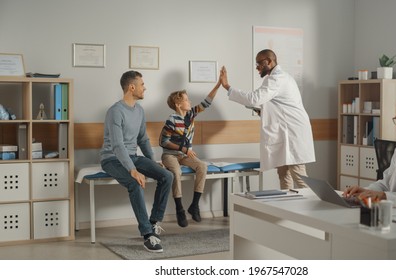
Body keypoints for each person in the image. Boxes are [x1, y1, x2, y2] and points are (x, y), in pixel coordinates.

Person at [220, 49, 316, 189]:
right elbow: (273, 105)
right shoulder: (274, 78)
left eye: (259, 63)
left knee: (299, 176)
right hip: (285, 131)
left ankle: (311, 209)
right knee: (283, 174)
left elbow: (254, 99)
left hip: (292, 132)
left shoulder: (277, 79)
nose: (257, 67)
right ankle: (288, 208)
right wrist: (261, 111)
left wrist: (227, 86)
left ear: (270, 61)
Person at [100, 70, 173, 253]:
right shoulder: (115, 111)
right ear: (132, 87)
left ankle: (153, 222)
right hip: (111, 159)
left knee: (166, 176)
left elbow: (143, 139)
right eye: (142, 84)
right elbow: (117, 146)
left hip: (132, 156)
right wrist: (133, 170)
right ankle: (148, 235)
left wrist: (153, 161)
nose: (144, 87)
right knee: (135, 183)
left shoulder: (139, 110)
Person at [159, 76, 222, 227]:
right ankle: (179, 209)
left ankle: (194, 205)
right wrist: (183, 149)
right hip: (170, 155)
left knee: (202, 166)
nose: (190, 102)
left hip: (185, 154)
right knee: (176, 172)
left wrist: (219, 84)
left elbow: (207, 101)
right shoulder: (171, 120)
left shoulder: (191, 115)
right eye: (187, 100)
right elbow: (163, 141)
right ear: (178, 104)